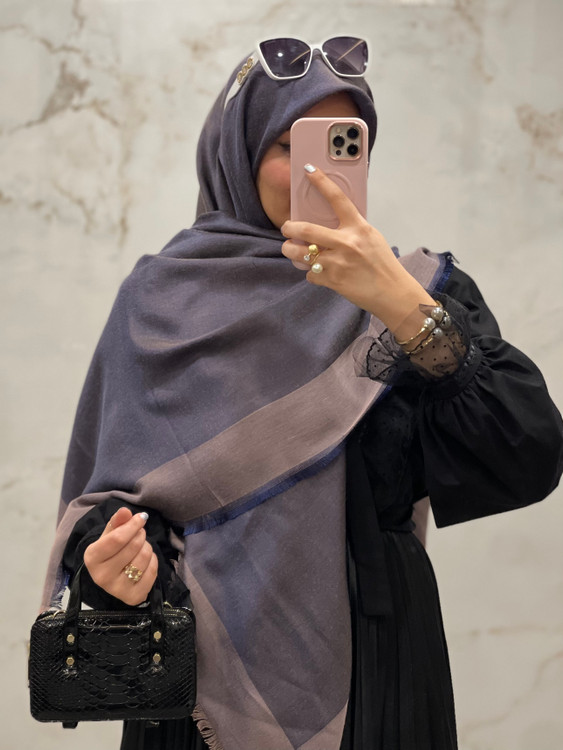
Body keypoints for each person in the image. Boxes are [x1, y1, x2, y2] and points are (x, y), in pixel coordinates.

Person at [41, 37, 563, 750]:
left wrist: (399, 305)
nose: (317, 170)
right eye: (290, 145)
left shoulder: (416, 293)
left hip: (378, 673)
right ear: (237, 152)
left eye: (344, 144)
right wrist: (116, 572)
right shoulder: (158, 302)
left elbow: (528, 456)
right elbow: (108, 508)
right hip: (197, 684)